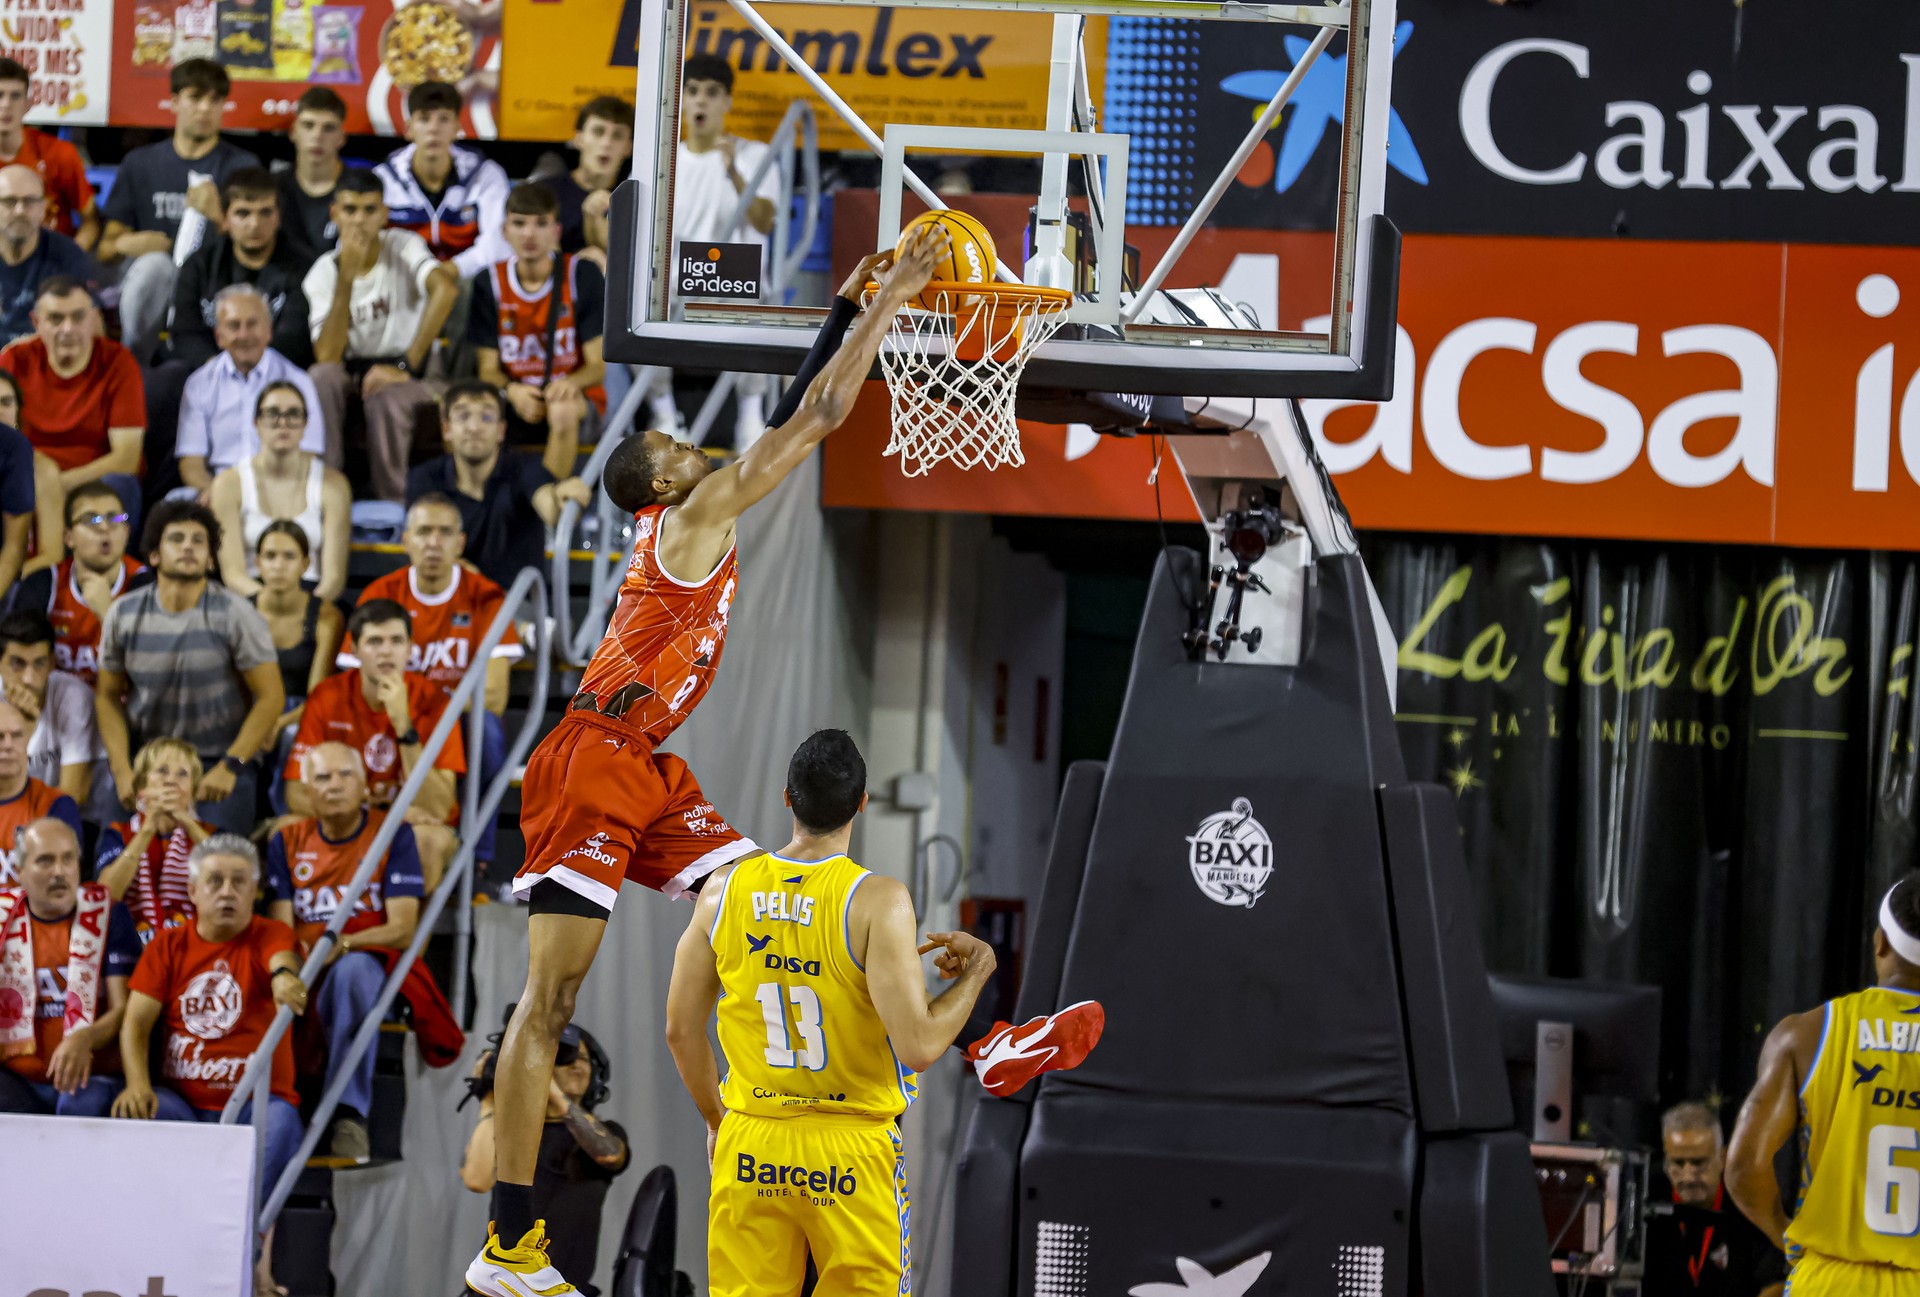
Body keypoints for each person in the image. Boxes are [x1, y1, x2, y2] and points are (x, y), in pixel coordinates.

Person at [466, 230, 949, 1295]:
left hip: (645, 763)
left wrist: (843, 306)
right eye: (678, 442)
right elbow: (819, 413)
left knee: (767, 892)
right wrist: (894, 304)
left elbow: (790, 409)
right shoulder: (689, 513)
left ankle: (890, 1030)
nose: (696, 443)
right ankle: (508, 1246)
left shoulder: (693, 514)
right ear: (662, 478)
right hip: (592, 757)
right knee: (547, 1002)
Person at [657, 728, 999, 1297]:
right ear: (861, 803)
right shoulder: (877, 899)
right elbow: (919, 1046)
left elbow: (679, 1029)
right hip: (849, 1148)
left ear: (787, 798)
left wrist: (718, 1122)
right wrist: (979, 968)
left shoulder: (722, 889)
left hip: (752, 1139)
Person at [116, 833, 307, 1290]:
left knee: (284, 1124)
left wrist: (284, 978)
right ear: (193, 890)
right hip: (182, 1103)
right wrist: (137, 1084)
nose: (227, 891)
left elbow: (281, 962)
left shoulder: (270, 934)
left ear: (254, 891)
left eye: (239, 882)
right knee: (132, 1111)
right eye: (215, 881)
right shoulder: (167, 945)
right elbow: (135, 1025)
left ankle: (237, 1251)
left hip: (256, 1106)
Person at [1728, 874, 1920, 1295]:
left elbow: (1743, 1168)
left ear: (1880, 943)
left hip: (1831, 1279)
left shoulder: (1806, 1034)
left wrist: (1786, 1236)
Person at [265, 741, 423, 1162]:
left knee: (353, 973)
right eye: (322, 777)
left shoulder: (393, 834)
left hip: (364, 963)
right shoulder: (286, 841)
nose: (334, 785)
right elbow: (281, 930)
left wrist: (345, 944)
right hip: (306, 962)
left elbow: (403, 929)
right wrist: (288, 971)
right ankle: (277, 1107)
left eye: (345, 775)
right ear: (306, 792)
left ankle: (348, 1115)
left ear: (365, 785)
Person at [95, 499, 284, 837]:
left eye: (199, 541)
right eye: (176, 538)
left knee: (220, 860)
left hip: (218, 760)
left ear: (210, 559)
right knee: (112, 858)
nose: (188, 547)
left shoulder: (237, 614)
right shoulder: (123, 614)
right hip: (148, 759)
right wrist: (122, 769)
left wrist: (233, 765)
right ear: (154, 555)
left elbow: (271, 698)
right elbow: (107, 696)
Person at [648, 54, 783, 443]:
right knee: (637, 301)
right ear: (681, 100)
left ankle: (751, 415)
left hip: (736, 282)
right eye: (692, 91)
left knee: (760, 303)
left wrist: (734, 174)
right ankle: (664, 413)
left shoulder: (754, 155)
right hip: (679, 285)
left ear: (727, 102)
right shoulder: (665, 160)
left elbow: (765, 221)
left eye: (711, 92)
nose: (701, 101)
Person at [304, 171, 459, 503]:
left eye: (369, 210)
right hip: (355, 370)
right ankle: (326, 492)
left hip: (416, 370)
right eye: (350, 210)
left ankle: (393, 504)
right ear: (334, 213)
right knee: (321, 377)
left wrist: (405, 364)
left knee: (386, 397)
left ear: (385, 214)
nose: (360, 220)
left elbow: (445, 290)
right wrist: (346, 279)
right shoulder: (322, 272)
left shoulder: (403, 245)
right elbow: (327, 357)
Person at [284, 599, 461, 890]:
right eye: (375, 641)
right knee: (284, 831)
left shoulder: (436, 703)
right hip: (351, 819)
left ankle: (407, 923)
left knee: (428, 840)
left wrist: (404, 727)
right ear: (354, 650)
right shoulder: (327, 696)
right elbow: (296, 794)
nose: (386, 651)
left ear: (410, 648)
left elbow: (438, 809)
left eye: (396, 641)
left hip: (414, 825)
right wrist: (383, 815)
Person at [96, 59, 262, 364]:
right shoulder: (141, 163)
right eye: (195, 98)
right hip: (152, 291)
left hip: (212, 284)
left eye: (215, 100)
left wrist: (218, 217)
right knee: (155, 267)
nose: (205, 109)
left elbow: (257, 247)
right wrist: (128, 243)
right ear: (174, 102)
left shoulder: (242, 168)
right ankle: (133, 363)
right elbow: (105, 249)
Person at [462, 1016, 628, 1297]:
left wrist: (548, 1087)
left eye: (583, 1059)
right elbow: (476, 1179)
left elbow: (611, 1156)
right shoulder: (515, 1133)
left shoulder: (605, 1133)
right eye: (565, 1058)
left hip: (559, 1289)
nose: (576, 1065)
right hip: (500, 1288)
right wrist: (490, 1101)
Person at [0, 816, 138, 1114]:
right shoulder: (3, 917)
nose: (59, 871)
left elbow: (123, 1010)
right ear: (20, 872)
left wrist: (84, 1037)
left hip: (93, 1077)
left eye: (67, 859)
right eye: (45, 861)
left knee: (78, 1103)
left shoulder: (110, 915)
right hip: (19, 1079)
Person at [471, 182, 605, 479]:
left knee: (562, 408)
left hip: (575, 399)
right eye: (519, 224)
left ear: (556, 230)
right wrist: (512, 391)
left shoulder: (582, 274)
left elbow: (597, 367)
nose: (529, 234)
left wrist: (569, 383)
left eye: (541, 223)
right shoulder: (488, 282)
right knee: (468, 412)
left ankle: (551, 500)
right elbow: (487, 370)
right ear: (504, 230)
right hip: (515, 396)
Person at [406, 381, 591, 590]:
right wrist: (470, 580)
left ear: (501, 430)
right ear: (446, 428)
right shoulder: (425, 477)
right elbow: (421, 543)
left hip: (518, 602)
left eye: (486, 417)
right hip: (453, 596)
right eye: (463, 416)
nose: (474, 427)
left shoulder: (525, 468)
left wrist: (563, 497)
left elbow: (551, 508)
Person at [1, 277, 144, 514]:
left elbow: (127, 459)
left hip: (91, 486)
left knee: (122, 485)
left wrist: (55, 486)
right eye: (56, 319)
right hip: (27, 481)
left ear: (94, 318)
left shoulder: (119, 363)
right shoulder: (13, 359)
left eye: (78, 317)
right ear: (36, 322)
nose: (67, 329)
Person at [178, 286, 329, 500]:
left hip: (281, 490)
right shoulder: (199, 384)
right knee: (175, 500)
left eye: (252, 324)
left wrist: (266, 496)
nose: (244, 334)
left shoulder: (299, 382)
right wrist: (218, 492)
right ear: (219, 336)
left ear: (269, 331)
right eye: (234, 326)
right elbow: (191, 463)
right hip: (218, 491)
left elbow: (308, 455)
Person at [210, 380, 350, 601]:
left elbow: (334, 578)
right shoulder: (228, 484)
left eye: (293, 414)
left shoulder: (334, 485)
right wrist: (271, 608)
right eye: (272, 413)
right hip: (249, 596)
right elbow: (233, 574)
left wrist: (306, 610)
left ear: (305, 424)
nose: (283, 423)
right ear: (256, 422)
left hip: (313, 596)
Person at [167, 168, 315, 371]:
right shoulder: (199, 265)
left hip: (277, 375)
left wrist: (249, 370)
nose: (254, 224)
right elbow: (185, 331)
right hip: (210, 370)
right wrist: (219, 369)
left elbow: (294, 338)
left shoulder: (304, 268)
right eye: (243, 213)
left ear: (278, 218)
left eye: (265, 212)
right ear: (224, 219)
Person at [8, 481, 150, 688]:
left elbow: (153, 673)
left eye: (114, 518)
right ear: (68, 537)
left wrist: (107, 614)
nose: (104, 527)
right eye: (91, 519)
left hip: (122, 701)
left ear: (127, 532)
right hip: (56, 700)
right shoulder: (45, 582)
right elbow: (18, 657)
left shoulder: (145, 584)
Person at [1644, 1101, 1786, 1297]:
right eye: (1678, 1163)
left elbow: (1775, 1282)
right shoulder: (1644, 1194)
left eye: (1699, 1163)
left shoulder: (1748, 1199)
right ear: (1666, 1162)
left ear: (1723, 1158)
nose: (1688, 1177)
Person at [374, 80, 510, 279]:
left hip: (465, 280)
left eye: (444, 119)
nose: (434, 128)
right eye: (424, 119)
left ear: (457, 128)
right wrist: (422, 276)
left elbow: (497, 244)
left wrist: (449, 271)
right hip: (401, 279)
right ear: (409, 129)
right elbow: (366, 241)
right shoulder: (382, 178)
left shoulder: (486, 175)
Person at [93, 736, 212, 945]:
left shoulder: (209, 834)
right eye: (162, 771)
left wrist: (186, 821)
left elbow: (227, 873)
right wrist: (147, 829)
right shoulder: (120, 833)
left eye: (182, 774)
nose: (171, 781)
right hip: (131, 945)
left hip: (195, 945)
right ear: (142, 785)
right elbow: (106, 894)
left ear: (193, 791)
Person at [0, 610, 100, 816]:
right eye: (17, 663)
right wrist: (23, 727)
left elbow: (74, 795)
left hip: (61, 819)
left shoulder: (74, 697)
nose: (28, 678)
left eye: (39, 663)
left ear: (52, 663)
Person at [250, 518, 343, 742]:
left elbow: (317, 698)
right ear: (258, 563)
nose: (279, 565)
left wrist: (279, 724)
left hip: (301, 718)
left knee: (292, 736)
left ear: (305, 564)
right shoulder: (240, 613)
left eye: (289, 557)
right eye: (270, 556)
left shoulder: (328, 617)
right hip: (249, 714)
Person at [0, 58, 97, 248]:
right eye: (0, 95)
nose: (6, 105)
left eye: (15, 96)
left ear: (28, 104)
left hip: (52, 259)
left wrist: (71, 258)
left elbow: (90, 221)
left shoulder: (60, 153)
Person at [0, 165, 96, 347]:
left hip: (45, 358)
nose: (20, 211)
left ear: (43, 207)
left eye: (29, 201)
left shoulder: (67, 255)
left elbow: (90, 329)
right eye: (9, 201)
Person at [538, 95, 634, 266]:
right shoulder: (545, 193)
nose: (606, 143)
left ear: (629, 147)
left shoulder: (635, 200)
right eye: (598, 132)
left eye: (617, 135)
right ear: (579, 139)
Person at [0, 697, 81, 881]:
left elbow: (63, 883)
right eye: (0, 737)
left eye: (17, 735)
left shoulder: (57, 805)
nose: (8, 745)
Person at [277, 88, 347, 258]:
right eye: (308, 125)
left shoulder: (358, 190)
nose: (317, 136)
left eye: (328, 128)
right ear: (293, 132)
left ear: (342, 137)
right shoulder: (271, 189)